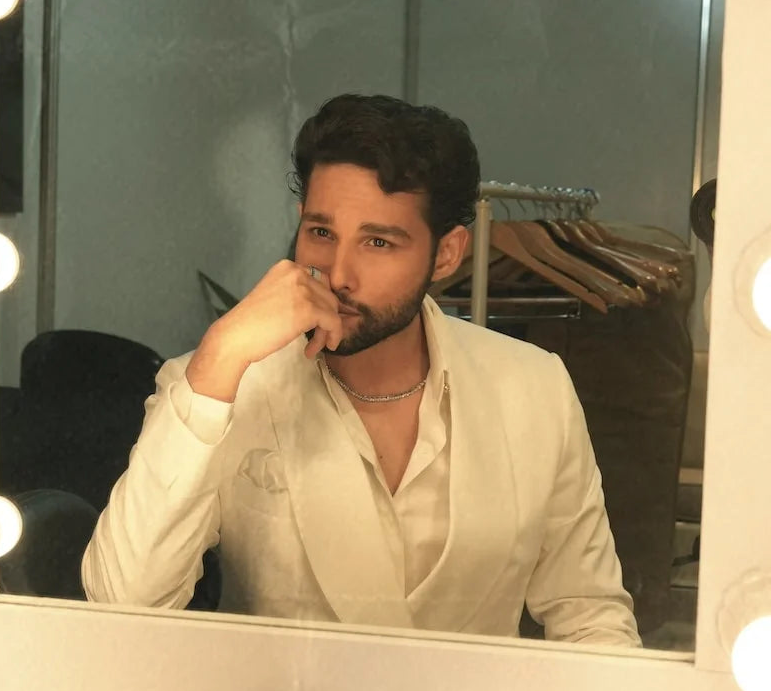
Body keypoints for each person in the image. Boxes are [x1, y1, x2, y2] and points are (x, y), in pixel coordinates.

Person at [82, 93, 641, 646]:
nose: (338, 273)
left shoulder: (534, 387)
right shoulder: (223, 383)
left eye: (378, 242)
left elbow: (592, 619)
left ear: (446, 255)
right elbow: (122, 605)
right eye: (321, 233)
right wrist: (219, 356)